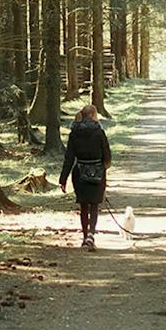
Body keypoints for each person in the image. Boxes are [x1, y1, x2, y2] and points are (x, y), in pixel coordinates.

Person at [58, 104, 111, 248]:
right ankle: (91, 235)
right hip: (97, 171)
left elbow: (69, 158)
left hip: (79, 172)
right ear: (93, 115)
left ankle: (84, 236)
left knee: (83, 206)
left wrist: (63, 179)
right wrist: (105, 167)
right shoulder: (99, 132)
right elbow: (107, 154)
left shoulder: (74, 132)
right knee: (94, 205)